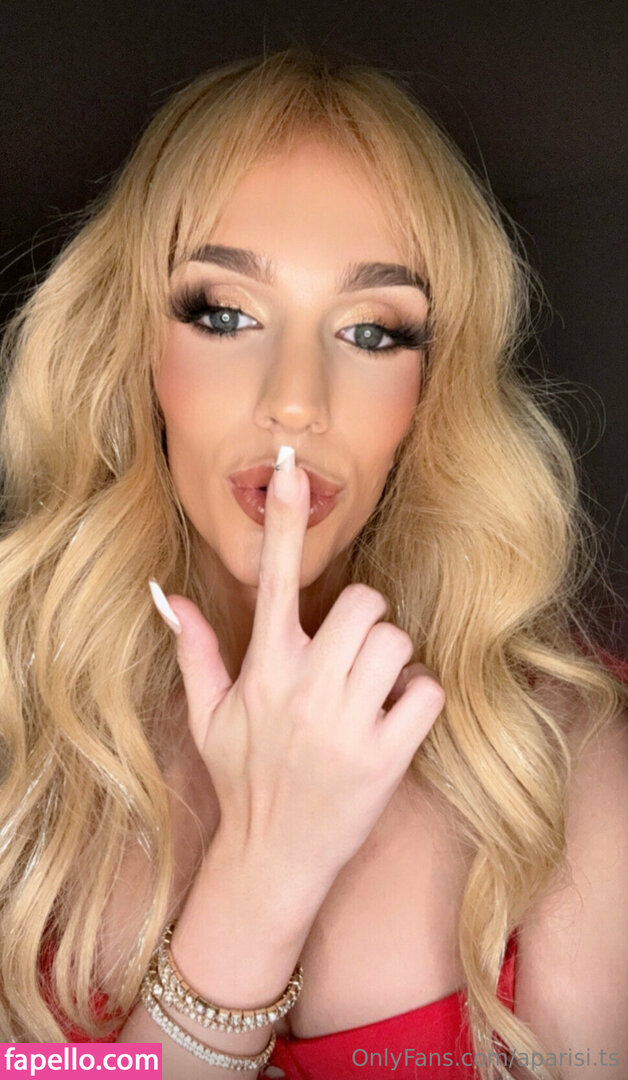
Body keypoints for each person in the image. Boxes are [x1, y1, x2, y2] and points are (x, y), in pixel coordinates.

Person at [0, 46, 626, 1080]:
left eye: (373, 331)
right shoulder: (22, 738)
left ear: (431, 391)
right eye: (225, 314)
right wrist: (261, 879)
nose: (295, 400)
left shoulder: (557, 761)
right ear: (134, 349)